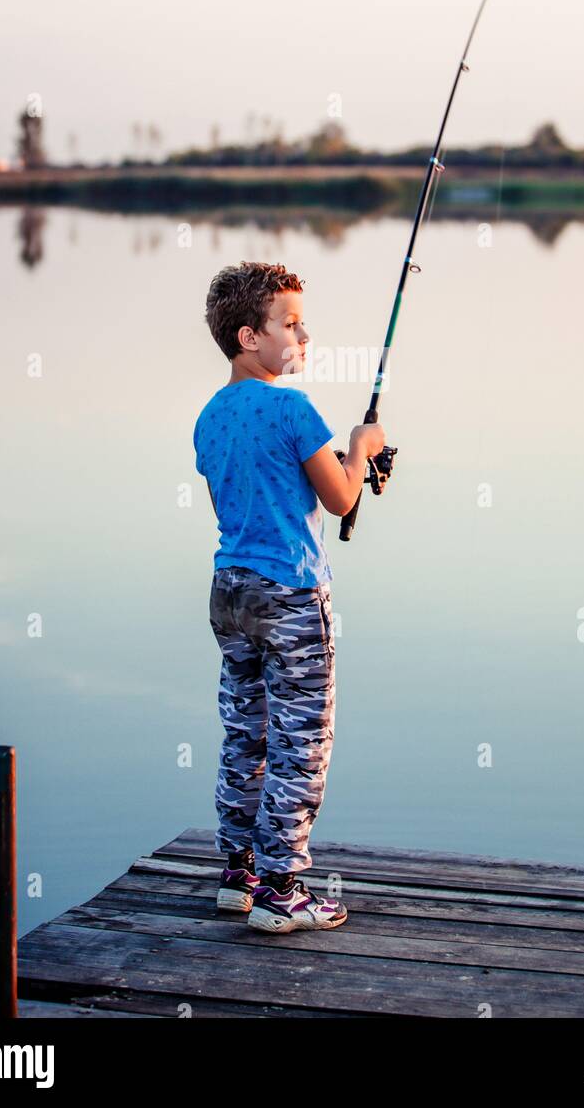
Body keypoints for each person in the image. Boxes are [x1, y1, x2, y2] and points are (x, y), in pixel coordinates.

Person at [193, 260, 386, 933]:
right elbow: (340, 498)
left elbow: (244, 495)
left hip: (230, 590)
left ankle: (237, 874)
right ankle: (282, 889)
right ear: (250, 336)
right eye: (291, 324)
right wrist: (361, 449)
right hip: (293, 596)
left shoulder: (210, 416)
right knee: (302, 742)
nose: (304, 335)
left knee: (246, 733)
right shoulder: (293, 409)